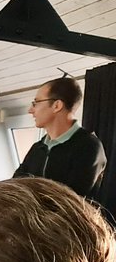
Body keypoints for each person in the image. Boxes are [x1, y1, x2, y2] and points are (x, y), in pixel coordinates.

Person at [15, 75, 107, 213]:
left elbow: (69, 200)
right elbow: (15, 185)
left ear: (57, 105)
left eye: (36, 103)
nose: (30, 110)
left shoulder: (89, 146)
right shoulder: (38, 147)